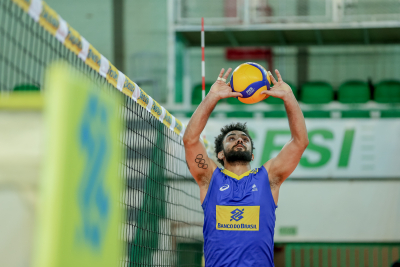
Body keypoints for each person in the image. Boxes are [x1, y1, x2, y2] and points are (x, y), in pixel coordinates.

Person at [182, 67, 309, 267]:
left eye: (244, 139)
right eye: (231, 138)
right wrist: (212, 97)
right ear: (221, 154)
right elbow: (190, 140)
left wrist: (289, 97)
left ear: (251, 153)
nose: (239, 140)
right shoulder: (210, 178)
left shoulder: (268, 178)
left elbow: (300, 142)